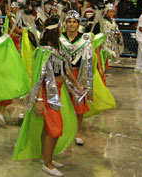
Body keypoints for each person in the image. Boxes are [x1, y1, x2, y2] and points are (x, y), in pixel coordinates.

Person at [13, 16, 84, 177]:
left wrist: (78, 88)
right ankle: (47, 163)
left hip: (57, 91)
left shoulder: (58, 49)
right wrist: (38, 100)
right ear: (55, 30)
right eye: (59, 28)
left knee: (49, 128)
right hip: (46, 93)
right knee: (55, 129)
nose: (62, 30)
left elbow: (66, 70)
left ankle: (46, 158)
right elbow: (38, 77)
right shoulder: (43, 51)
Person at [59, 10, 93, 146]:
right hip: (62, 75)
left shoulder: (85, 39)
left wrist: (88, 85)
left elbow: (88, 62)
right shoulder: (59, 37)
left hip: (78, 75)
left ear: (78, 24)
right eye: (69, 22)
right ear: (65, 23)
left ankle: (77, 132)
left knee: (79, 105)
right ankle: (63, 130)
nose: (71, 24)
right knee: (62, 104)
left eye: (74, 22)